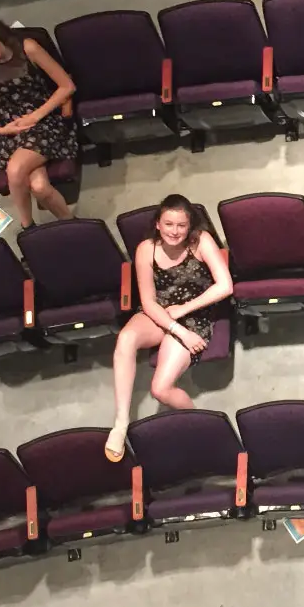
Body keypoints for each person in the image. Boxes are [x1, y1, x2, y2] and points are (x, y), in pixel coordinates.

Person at [105, 194, 233, 461]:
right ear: (158, 225)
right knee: (126, 338)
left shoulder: (201, 241)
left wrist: (184, 315)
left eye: (181, 225)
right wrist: (175, 328)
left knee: (160, 389)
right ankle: (120, 422)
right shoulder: (145, 249)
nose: (175, 231)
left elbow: (225, 286)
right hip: (161, 314)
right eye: (169, 224)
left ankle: (201, 429)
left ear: (190, 226)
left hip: (194, 313)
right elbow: (149, 301)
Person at [0, 16, 77, 230]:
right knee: (39, 187)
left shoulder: (27, 48)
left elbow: (67, 86)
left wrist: (35, 116)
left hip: (44, 120)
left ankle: (27, 227)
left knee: (15, 170)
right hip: (10, 129)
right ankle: (72, 225)